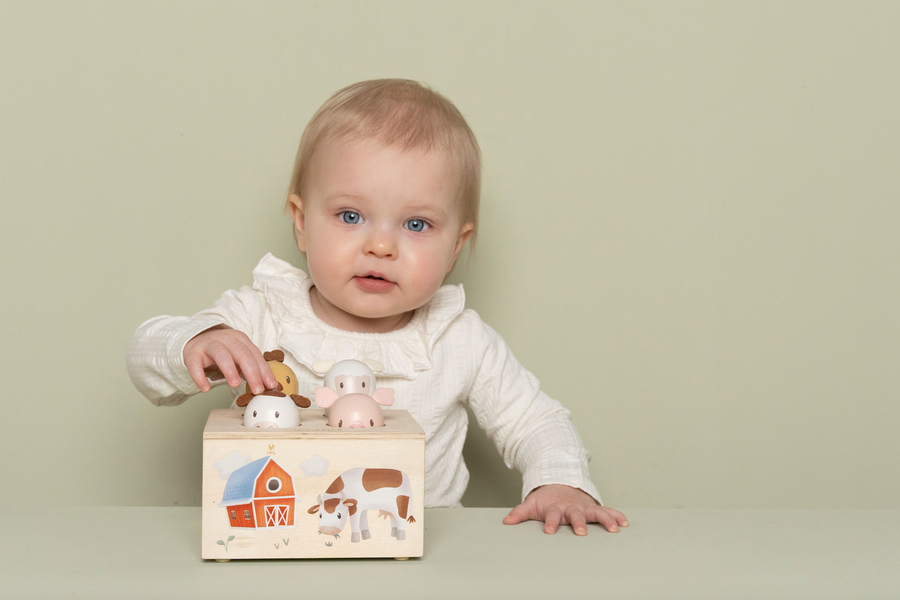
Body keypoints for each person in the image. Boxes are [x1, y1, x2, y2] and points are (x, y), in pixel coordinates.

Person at [127, 79, 628, 536]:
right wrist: (197, 341)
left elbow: (535, 421)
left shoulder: (458, 338)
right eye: (351, 215)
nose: (381, 246)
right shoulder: (264, 316)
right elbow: (146, 360)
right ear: (301, 223)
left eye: (416, 225)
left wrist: (560, 483)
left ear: (456, 246)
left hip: (419, 549)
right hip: (288, 546)